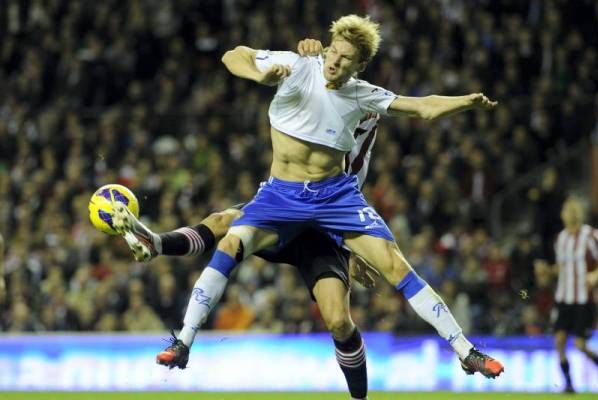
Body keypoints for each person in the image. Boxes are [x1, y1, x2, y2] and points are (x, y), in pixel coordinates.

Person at [117, 15, 503, 398]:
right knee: (228, 234)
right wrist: (258, 75)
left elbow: (424, 107)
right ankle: (183, 340)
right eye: (334, 51)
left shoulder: (364, 97)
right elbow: (233, 55)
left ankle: (465, 351)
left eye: (346, 58)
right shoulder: (298, 66)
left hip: (333, 201)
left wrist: (467, 101)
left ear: (359, 66)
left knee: (359, 299)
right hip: (281, 198)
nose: (334, 61)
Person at [114, 111, 382, 400]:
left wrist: (351, 241)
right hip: (282, 208)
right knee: (223, 225)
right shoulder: (304, 84)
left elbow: (351, 184)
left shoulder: (363, 107)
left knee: (339, 322)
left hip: (323, 228)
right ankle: (179, 326)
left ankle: (360, 399)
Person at [535, 197, 598, 393]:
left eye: (575, 209)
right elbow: (562, 268)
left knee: (580, 345)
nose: (571, 213)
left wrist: (596, 275)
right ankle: (569, 385)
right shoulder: (560, 238)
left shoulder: (592, 235)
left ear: (581, 213)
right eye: (567, 209)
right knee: (559, 341)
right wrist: (547, 271)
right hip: (563, 298)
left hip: (583, 299)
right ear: (562, 214)